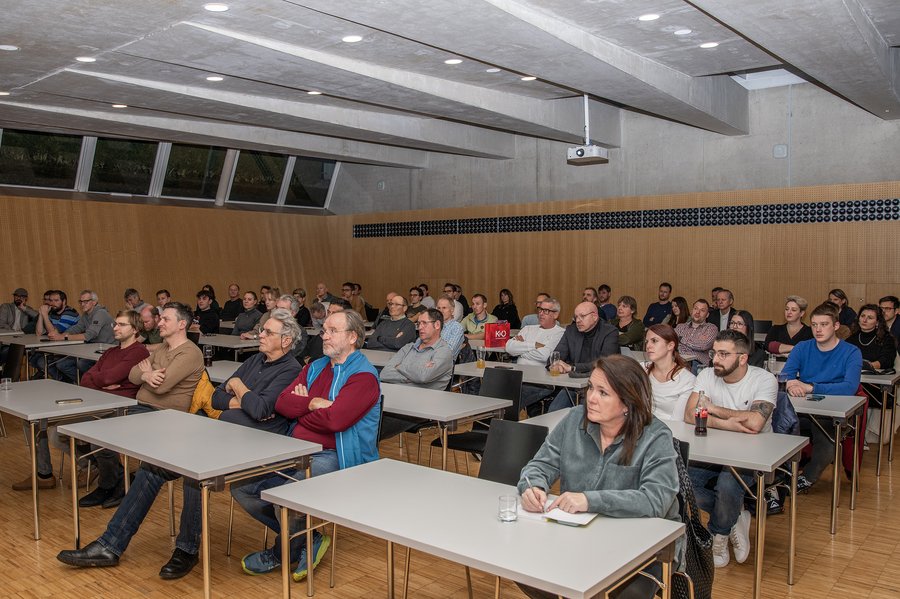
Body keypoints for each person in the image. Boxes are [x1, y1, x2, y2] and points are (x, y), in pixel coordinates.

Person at [56, 302, 206, 579]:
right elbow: (135, 374)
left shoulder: (189, 353)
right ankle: (111, 528)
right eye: (159, 318)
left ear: (182, 324)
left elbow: (163, 384)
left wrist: (147, 375)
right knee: (93, 429)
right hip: (144, 412)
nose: (159, 323)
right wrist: (146, 373)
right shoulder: (162, 349)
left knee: (156, 470)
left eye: (165, 319)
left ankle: (113, 543)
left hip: (169, 420)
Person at [233, 310, 380, 580]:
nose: (324, 335)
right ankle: (309, 538)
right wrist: (312, 403)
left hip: (337, 454)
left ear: (352, 337)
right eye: (324, 329)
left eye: (332, 330)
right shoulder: (315, 367)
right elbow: (282, 403)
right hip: (296, 448)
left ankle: (281, 553)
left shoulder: (363, 377)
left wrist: (301, 408)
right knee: (242, 488)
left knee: (285, 500)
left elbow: (336, 421)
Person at [517, 355, 680, 599]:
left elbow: (656, 500)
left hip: (642, 548)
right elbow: (539, 465)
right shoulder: (574, 419)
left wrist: (589, 500)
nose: (591, 398)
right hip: (579, 538)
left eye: (603, 393)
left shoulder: (656, 437)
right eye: (591, 388)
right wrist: (533, 487)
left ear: (627, 402)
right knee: (523, 570)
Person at [683, 329, 777, 568]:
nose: (716, 359)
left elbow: (756, 423)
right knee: (680, 479)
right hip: (711, 450)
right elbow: (689, 415)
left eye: (724, 354)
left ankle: (719, 533)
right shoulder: (706, 375)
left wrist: (712, 409)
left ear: (743, 358)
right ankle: (734, 517)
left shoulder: (764, 379)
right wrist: (731, 423)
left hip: (753, 455)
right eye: (715, 353)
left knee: (727, 484)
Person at [51, 310, 152, 504]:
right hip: (98, 403)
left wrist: (104, 380)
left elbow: (107, 377)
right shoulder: (111, 351)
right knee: (56, 433)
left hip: (121, 407)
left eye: (122, 324)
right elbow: (87, 379)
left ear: (135, 329)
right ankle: (107, 471)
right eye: (115, 323)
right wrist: (103, 381)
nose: (115, 327)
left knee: (98, 440)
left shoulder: (139, 351)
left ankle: (108, 485)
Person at [782, 302, 862, 491]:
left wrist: (811, 387)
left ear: (836, 326)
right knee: (775, 425)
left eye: (824, 324)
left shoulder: (851, 352)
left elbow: (849, 387)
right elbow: (786, 375)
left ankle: (807, 478)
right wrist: (791, 383)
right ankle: (779, 477)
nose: (818, 329)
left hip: (832, 412)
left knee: (827, 439)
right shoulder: (802, 347)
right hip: (802, 408)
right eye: (815, 325)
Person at [545, 302, 619, 412]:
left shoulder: (610, 332)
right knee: (554, 411)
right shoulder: (571, 330)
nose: (578, 320)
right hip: (573, 385)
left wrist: (572, 367)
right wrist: (556, 364)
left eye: (582, 316)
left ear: (594, 316)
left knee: (583, 414)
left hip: (599, 386)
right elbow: (556, 356)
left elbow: (605, 363)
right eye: (576, 317)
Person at [506, 297, 566, 414]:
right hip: (518, 377)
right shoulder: (528, 329)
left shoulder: (560, 333)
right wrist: (534, 345)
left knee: (511, 397)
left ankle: (503, 424)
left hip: (541, 381)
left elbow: (545, 355)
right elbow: (509, 347)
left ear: (555, 315)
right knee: (497, 389)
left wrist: (521, 347)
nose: (541, 314)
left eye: (546, 311)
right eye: (540, 309)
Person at [47, 290, 115, 383]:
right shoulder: (86, 314)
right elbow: (77, 328)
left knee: (82, 364)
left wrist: (64, 337)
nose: (82, 304)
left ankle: (92, 384)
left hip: (106, 349)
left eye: (86, 302)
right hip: (91, 348)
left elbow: (89, 335)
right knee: (62, 365)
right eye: (81, 302)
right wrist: (61, 335)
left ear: (94, 302)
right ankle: (85, 383)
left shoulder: (100, 313)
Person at [379, 308, 453, 391]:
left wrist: (399, 366)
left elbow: (423, 376)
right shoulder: (408, 347)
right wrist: (413, 377)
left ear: (437, 325)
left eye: (424, 323)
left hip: (426, 401)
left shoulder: (444, 352)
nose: (420, 327)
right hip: (397, 395)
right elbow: (384, 374)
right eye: (418, 324)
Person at [643, 324, 695, 422]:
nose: (648, 346)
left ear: (670, 345)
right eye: (647, 342)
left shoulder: (687, 380)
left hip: (670, 432)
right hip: (643, 428)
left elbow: (677, 421)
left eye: (654, 341)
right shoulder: (642, 369)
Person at [29, 290, 80, 375]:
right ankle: (61, 380)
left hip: (72, 350)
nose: (52, 303)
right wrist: (41, 315)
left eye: (56, 300)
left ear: (64, 302)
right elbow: (39, 333)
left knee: (42, 362)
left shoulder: (70, 313)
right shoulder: (54, 312)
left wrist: (45, 315)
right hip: (59, 348)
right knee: (34, 359)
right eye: (51, 300)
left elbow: (52, 334)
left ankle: (66, 382)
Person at [847, 304, 896, 371]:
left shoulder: (887, 339)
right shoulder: (851, 339)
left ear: (877, 323)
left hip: (877, 378)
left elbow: (886, 360)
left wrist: (867, 366)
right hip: (853, 375)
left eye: (870, 318)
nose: (864, 320)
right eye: (862, 316)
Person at [675, 299, 718, 371]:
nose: (697, 312)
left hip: (698, 365)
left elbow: (703, 346)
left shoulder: (711, 328)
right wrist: (695, 347)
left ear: (707, 315)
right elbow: (673, 342)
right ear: (692, 311)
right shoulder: (680, 327)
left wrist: (681, 339)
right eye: (696, 309)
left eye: (702, 310)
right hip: (679, 360)